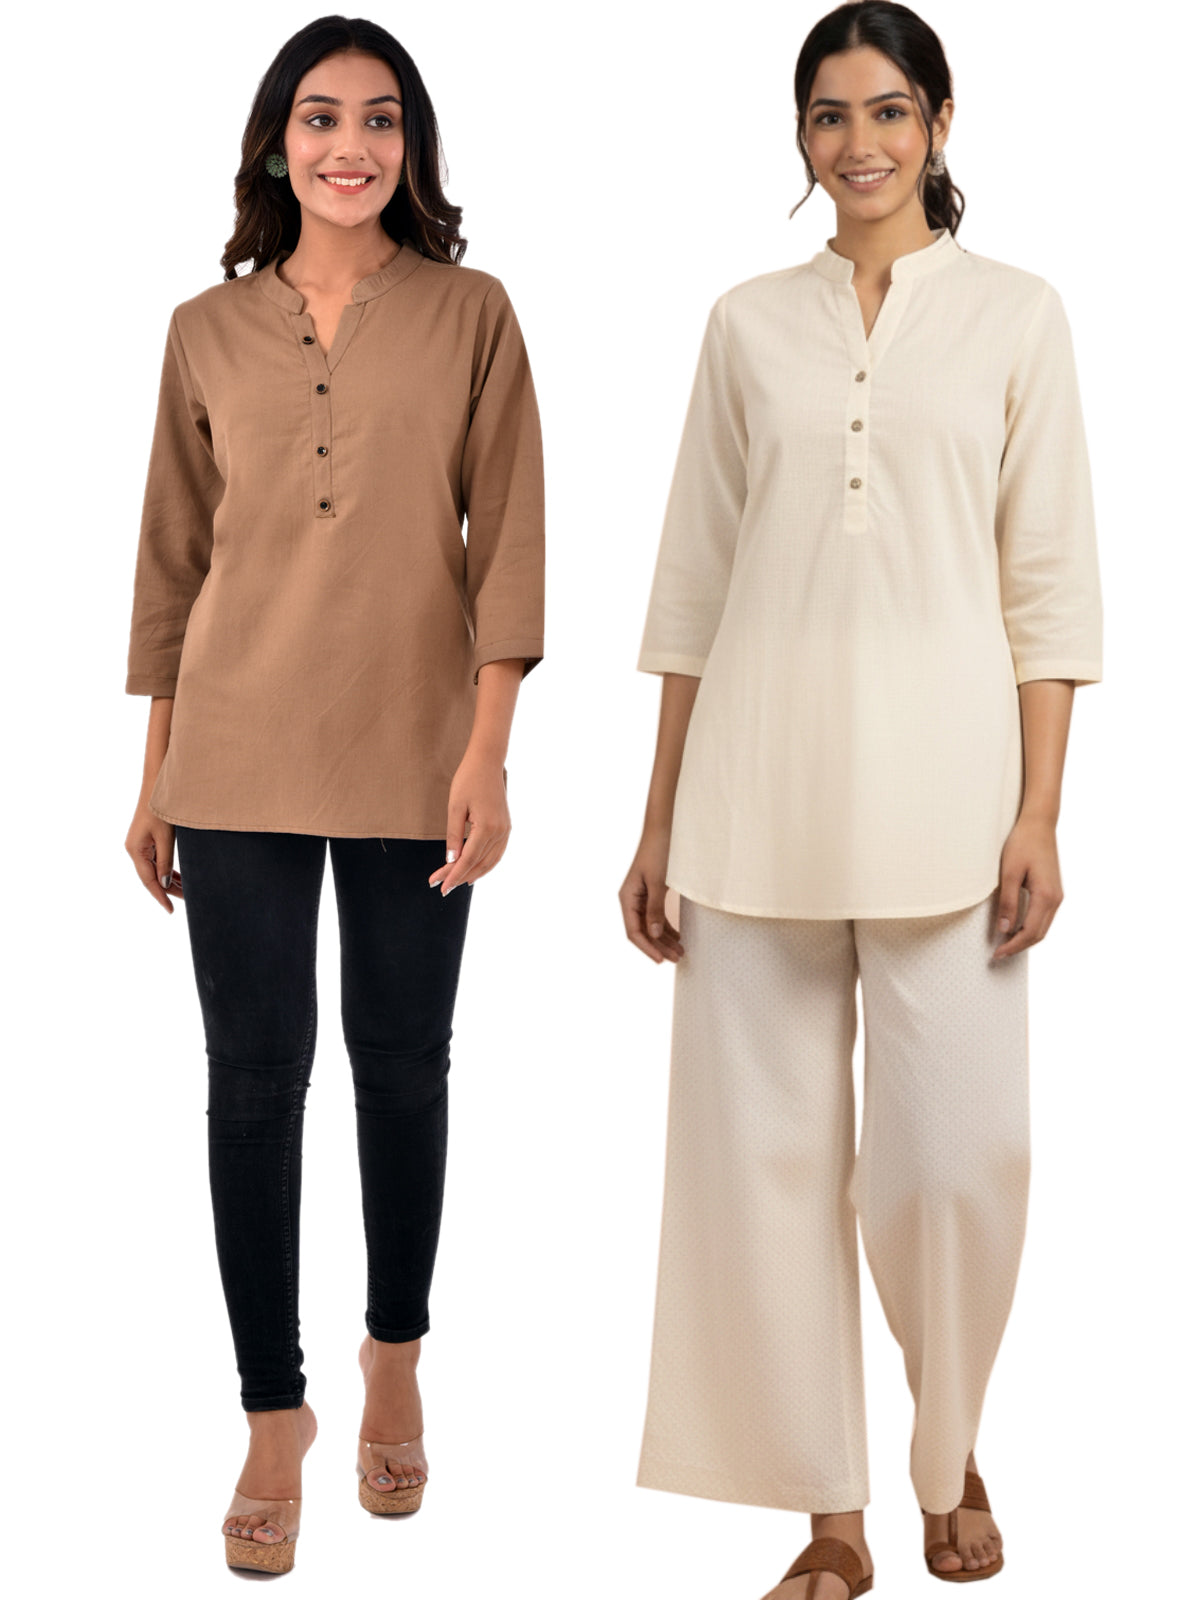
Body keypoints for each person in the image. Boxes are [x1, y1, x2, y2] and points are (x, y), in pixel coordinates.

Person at [618, 3, 1101, 1596]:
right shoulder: (747, 324)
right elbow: (694, 585)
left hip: (953, 809)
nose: (860, 142)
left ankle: (947, 1444)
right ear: (802, 138)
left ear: (942, 123)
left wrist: (1040, 812)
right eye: (830, 115)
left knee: (953, 1162)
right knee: (764, 1173)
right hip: (751, 798)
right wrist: (657, 819)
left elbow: (1048, 586)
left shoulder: (1018, 317)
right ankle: (831, 1515)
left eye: (889, 110)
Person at [123, 15, 544, 1575]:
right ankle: (272, 1413)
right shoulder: (204, 330)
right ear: (276, 144)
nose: (348, 145)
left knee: (403, 1068)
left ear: (411, 146)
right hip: (233, 749)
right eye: (319, 117)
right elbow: (174, 560)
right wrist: (155, 773)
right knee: (251, 1083)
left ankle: (396, 1355)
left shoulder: (473, 313)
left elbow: (509, 536)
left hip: (416, 746)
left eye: (378, 118)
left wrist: (488, 750)